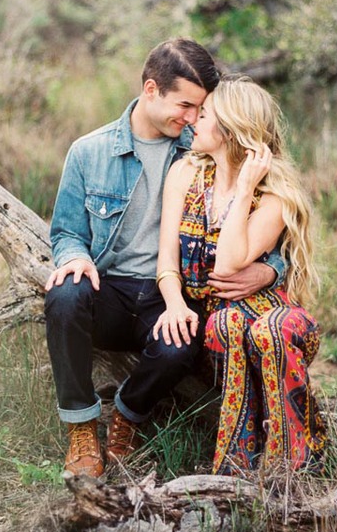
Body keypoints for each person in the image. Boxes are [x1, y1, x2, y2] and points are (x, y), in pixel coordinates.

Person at [45, 38, 285, 477]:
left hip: (171, 295)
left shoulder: (203, 147)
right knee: (65, 294)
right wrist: (74, 255)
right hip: (110, 289)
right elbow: (65, 232)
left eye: (200, 109)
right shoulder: (89, 152)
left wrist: (270, 270)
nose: (193, 119)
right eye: (185, 106)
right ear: (151, 90)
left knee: (179, 346)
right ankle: (81, 427)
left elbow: (269, 211)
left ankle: (126, 414)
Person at [153, 74, 326, 475]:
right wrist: (176, 304)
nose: (194, 119)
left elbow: (229, 264)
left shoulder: (275, 194)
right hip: (221, 326)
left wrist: (244, 185)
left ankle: (294, 462)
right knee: (229, 321)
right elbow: (167, 259)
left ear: (231, 132)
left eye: (206, 114)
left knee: (270, 330)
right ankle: (237, 466)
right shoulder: (184, 175)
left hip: (277, 320)